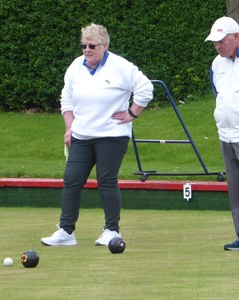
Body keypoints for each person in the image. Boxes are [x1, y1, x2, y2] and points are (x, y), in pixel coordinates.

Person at [40, 23, 153, 246]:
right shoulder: (75, 67)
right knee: (72, 180)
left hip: (112, 134)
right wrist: (69, 127)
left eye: (92, 45)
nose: (87, 50)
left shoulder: (120, 66)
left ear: (105, 46)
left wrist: (132, 113)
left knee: (106, 180)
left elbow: (146, 88)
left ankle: (112, 230)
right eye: (83, 45)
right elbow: (67, 99)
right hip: (82, 135)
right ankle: (66, 231)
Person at [205, 16, 239, 252]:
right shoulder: (217, 64)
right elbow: (219, 93)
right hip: (226, 135)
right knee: (235, 187)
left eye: (221, 41)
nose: (217, 46)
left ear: (236, 36)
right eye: (215, 42)